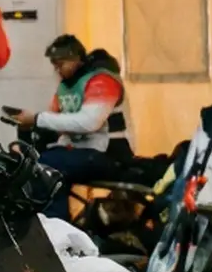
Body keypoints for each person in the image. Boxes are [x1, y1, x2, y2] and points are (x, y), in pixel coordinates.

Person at [7, 34, 132, 212]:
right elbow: (55, 122)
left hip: (110, 154)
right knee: (26, 163)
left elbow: (90, 122)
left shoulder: (102, 81)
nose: (57, 70)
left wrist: (36, 119)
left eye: (61, 64)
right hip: (79, 152)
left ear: (76, 59)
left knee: (48, 169)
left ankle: (57, 230)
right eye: (54, 65)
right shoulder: (66, 86)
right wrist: (27, 136)